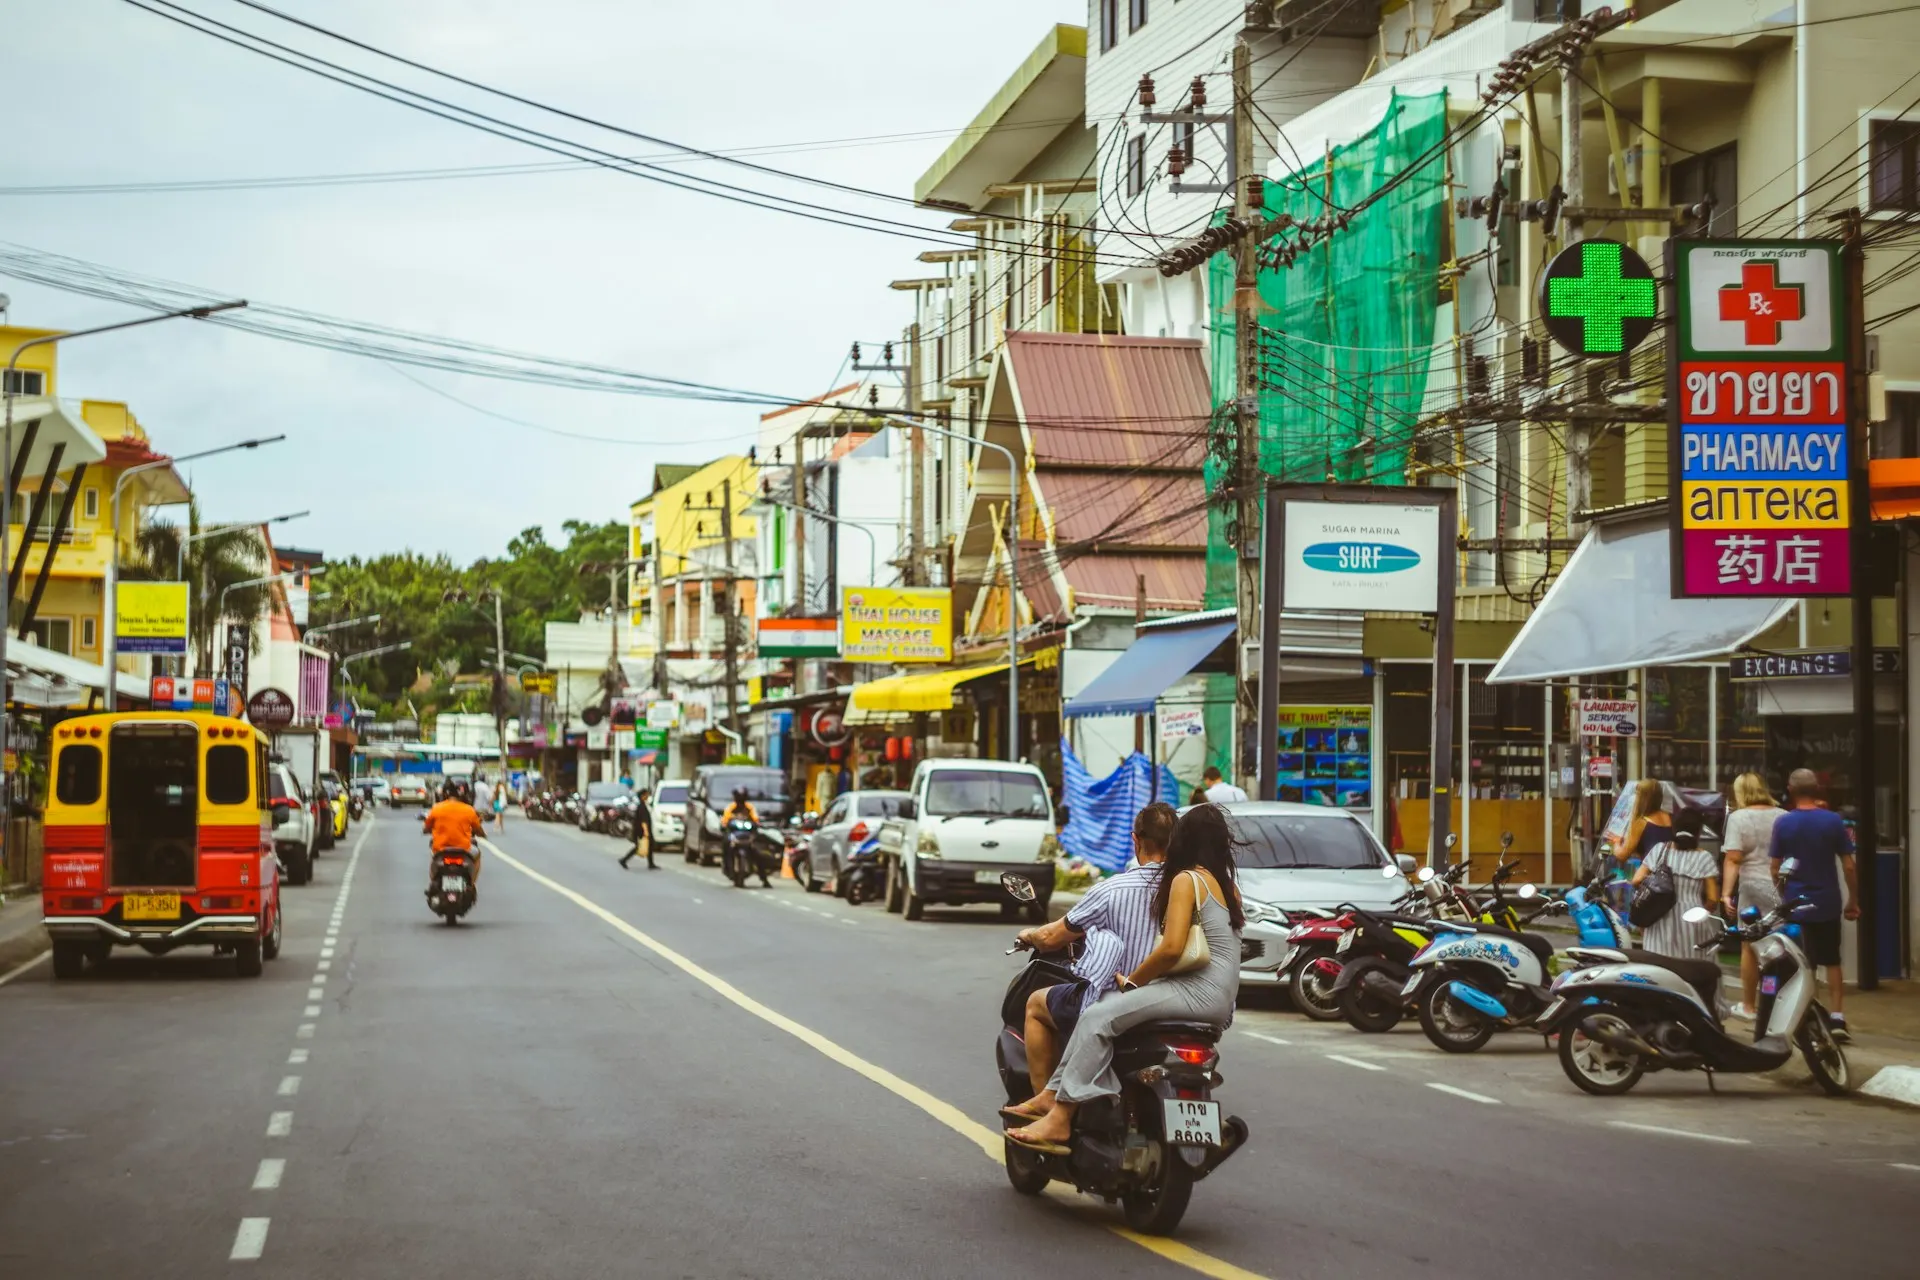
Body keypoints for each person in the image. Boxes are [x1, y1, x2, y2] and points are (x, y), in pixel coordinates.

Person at [1008, 803, 1243, 1150]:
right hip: (1222, 1002)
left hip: (1196, 994)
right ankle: (1051, 1096)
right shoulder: (1228, 887)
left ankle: (1058, 1117)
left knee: (1096, 1017)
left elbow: (1171, 949)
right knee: (1104, 1015)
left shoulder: (1187, 879)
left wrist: (1133, 981)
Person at [999, 803, 1174, 1120]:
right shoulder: (1190, 889)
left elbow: (1054, 937)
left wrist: (1032, 935)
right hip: (1175, 1001)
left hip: (1120, 1000)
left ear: (1135, 841)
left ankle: (1045, 1108)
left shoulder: (1112, 889)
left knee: (1037, 1005)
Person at [1771, 769, 1859, 1042]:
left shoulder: (1783, 823)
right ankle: (1837, 1018)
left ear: (1790, 789)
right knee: (1832, 959)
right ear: (1818, 789)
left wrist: (1786, 893)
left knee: (1803, 962)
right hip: (1827, 901)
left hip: (1796, 903)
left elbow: (1775, 868)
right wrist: (1853, 900)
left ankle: (1810, 1013)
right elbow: (1848, 865)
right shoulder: (1833, 821)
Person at [1720, 771, 1782, 1019]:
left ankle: (1749, 1006)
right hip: (1779, 887)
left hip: (1752, 886)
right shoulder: (1783, 816)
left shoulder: (1738, 818)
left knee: (1750, 946)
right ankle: (1775, 1002)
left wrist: (1726, 894)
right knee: (1778, 945)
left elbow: (1733, 858)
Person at [1630, 809, 1720, 962]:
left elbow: (1636, 880)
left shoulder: (1659, 850)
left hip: (1658, 917)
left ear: (1674, 828)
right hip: (1692, 920)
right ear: (1698, 832)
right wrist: (1703, 909)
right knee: (1694, 967)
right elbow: (1712, 899)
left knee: (1658, 966)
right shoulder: (1704, 857)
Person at [422, 781, 487, 899]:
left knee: (433, 856)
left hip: (440, 849)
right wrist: (483, 834)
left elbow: (426, 827)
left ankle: (434, 881)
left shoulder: (437, 808)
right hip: (463, 849)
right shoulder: (469, 810)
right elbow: (478, 829)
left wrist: (428, 830)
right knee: (477, 855)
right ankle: (471, 884)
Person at [619, 788, 657, 870]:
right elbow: (644, 821)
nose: (647, 796)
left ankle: (651, 863)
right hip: (641, 831)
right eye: (646, 794)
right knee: (638, 847)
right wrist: (646, 832)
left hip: (640, 830)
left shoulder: (642, 805)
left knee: (650, 846)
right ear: (642, 796)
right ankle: (624, 860)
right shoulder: (642, 807)